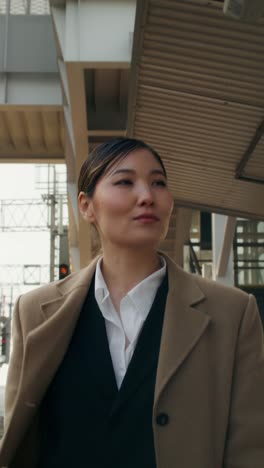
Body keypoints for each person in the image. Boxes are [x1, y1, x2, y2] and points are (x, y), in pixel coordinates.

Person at [0, 137, 263, 468]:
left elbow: (250, 447)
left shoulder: (232, 313)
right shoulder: (35, 311)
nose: (147, 196)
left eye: (158, 183)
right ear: (86, 205)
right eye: (125, 182)